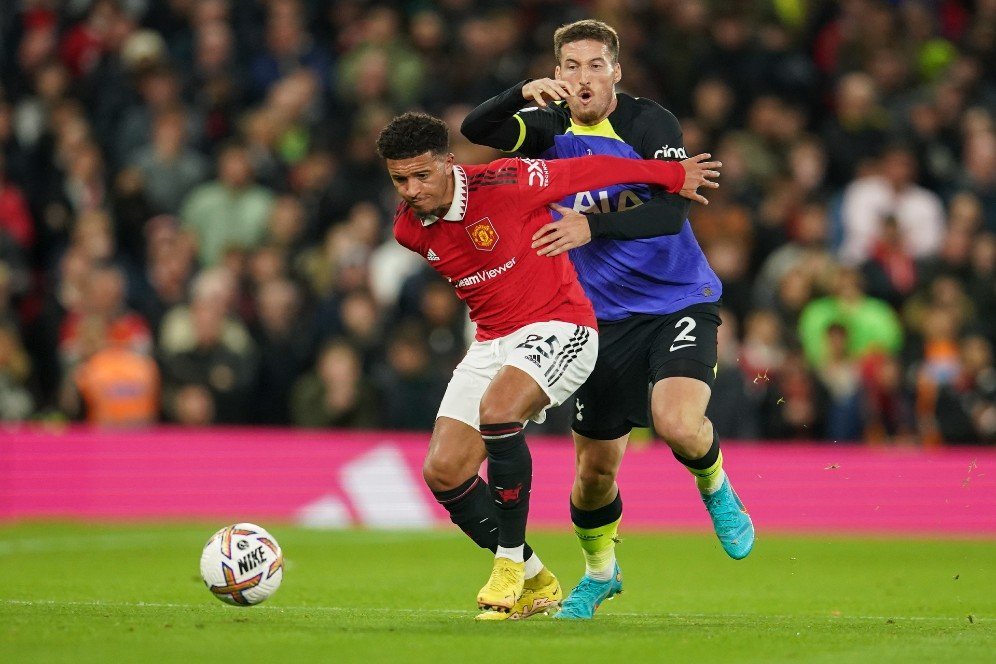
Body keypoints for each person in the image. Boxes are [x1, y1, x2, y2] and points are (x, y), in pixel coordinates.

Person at [461, 19, 755, 620]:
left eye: (596, 64)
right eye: (571, 66)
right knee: (593, 475)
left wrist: (591, 226)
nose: (584, 77)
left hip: (677, 300)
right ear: (558, 73)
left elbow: (671, 212)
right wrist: (521, 93)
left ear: (616, 71)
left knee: (676, 422)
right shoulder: (545, 127)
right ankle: (601, 575)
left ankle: (716, 488)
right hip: (597, 321)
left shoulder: (652, 124)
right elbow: (475, 130)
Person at [377, 111, 720, 620]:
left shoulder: (509, 180)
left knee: (499, 413)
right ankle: (538, 580)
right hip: (493, 341)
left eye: (422, 175)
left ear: (450, 162)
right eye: (399, 179)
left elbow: (592, 172)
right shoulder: (409, 231)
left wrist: (672, 175)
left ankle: (509, 565)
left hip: (562, 326)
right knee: (444, 473)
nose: (411, 189)